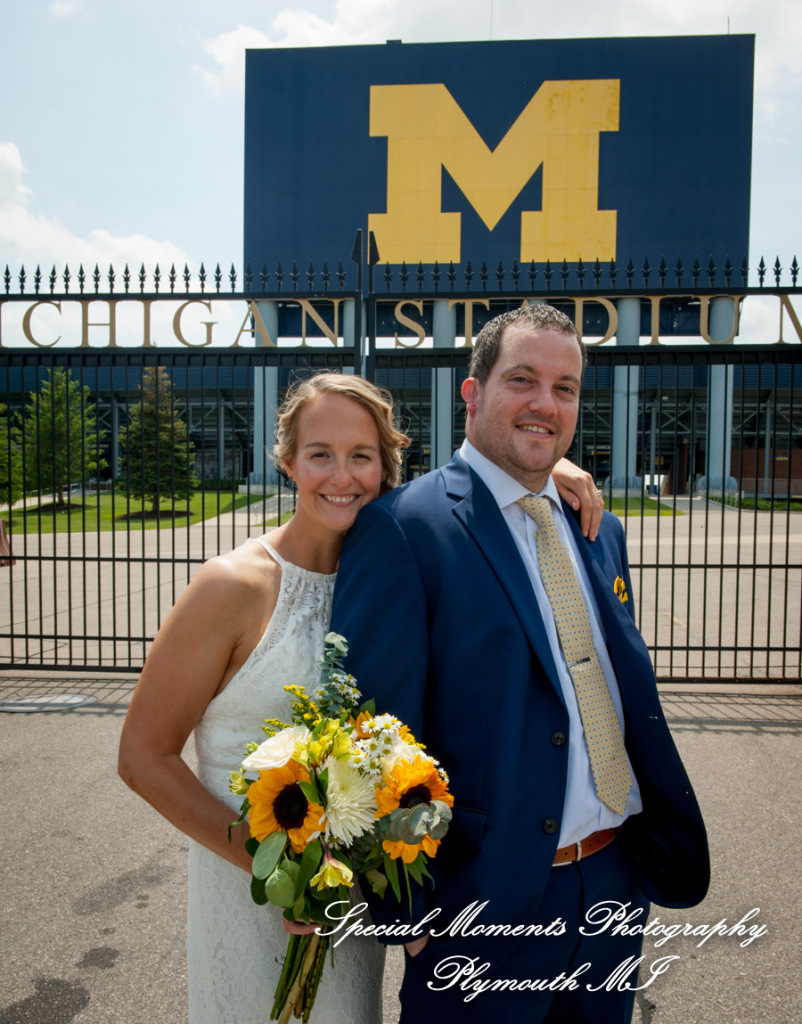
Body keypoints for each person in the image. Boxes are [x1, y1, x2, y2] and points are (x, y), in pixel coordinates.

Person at [117, 369, 603, 1024]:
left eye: (361, 457)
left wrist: (547, 474)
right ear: (288, 460)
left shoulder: (407, 567)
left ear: (386, 470)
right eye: (320, 454)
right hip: (254, 895)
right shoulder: (231, 586)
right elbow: (143, 757)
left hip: (354, 913)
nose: (340, 476)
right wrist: (283, 875)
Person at [330, 306, 710, 1024]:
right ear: (472, 393)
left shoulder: (597, 526)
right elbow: (372, 733)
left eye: (565, 387)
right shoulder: (404, 528)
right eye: (523, 379)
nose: (546, 403)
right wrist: (407, 912)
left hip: (611, 887)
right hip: (482, 901)